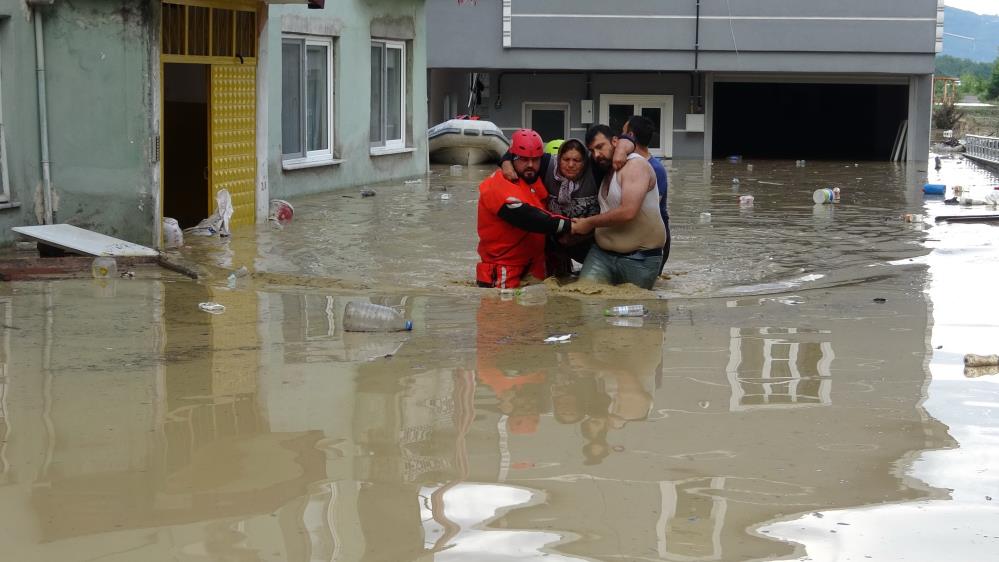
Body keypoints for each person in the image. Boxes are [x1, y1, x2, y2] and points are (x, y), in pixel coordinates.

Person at [571, 125, 666, 290]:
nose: (596, 155)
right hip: (601, 255)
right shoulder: (603, 169)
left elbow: (628, 212)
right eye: (592, 150)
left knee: (632, 305)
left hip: (639, 258)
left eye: (600, 147)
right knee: (583, 297)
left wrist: (588, 223)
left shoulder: (635, 165)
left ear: (615, 142)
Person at [476, 128, 571, 288]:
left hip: (533, 266)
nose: (530, 165)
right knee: (500, 305)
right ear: (513, 157)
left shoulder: (534, 181)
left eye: (535, 160)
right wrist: (572, 225)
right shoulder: (497, 185)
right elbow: (530, 218)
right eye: (524, 159)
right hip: (503, 269)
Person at [622, 115, 671, 271]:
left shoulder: (655, 169)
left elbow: (646, 210)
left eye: (623, 133)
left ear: (630, 136)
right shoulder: (626, 163)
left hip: (652, 245)